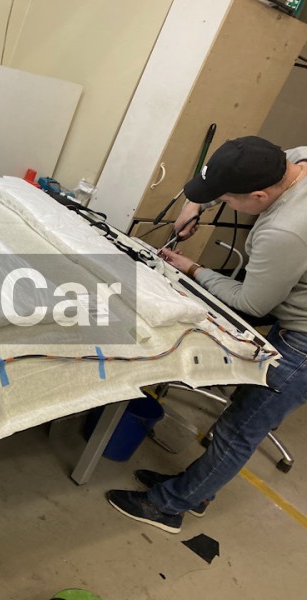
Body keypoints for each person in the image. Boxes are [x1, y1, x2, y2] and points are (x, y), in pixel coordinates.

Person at [107, 136, 307, 533]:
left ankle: (169, 506)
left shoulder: (286, 231)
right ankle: (196, 488)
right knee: (241, 416)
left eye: (228, 199)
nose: (224, 202)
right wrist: (195, 204)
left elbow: (251, 303)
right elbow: (234, 173)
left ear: (260, 196)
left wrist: (192, 268)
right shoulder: (295, 159)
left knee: (239, 429)